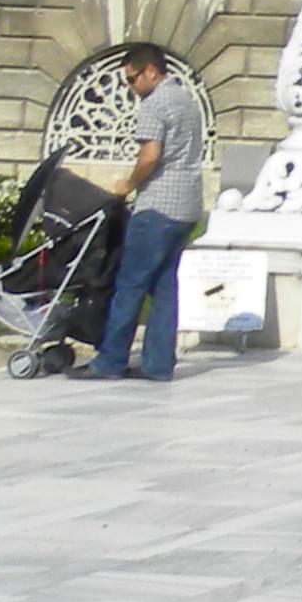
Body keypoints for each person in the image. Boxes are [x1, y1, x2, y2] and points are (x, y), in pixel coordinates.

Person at [85, 50, 209, 382]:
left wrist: (129, 184)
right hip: (187, 206)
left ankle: (110, 360)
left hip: (157, 205)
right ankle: (158, 364)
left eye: (131, 78)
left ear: (150, 71)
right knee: (165, 287)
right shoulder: (187, 100)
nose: (129, 86)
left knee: (130, 284)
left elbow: (151, 155)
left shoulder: (154, 104)